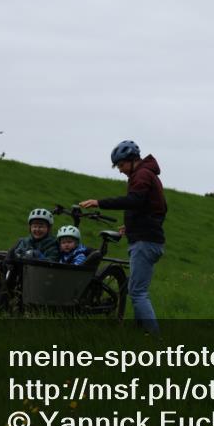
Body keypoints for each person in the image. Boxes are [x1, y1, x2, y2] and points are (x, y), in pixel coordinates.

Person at [80, 140, 167, 334]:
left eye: (121, 165)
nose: (120, 170)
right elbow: (158, 209)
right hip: (147, 239)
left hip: (145, 243)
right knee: (137, 291)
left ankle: (155, 339)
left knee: (137, 292)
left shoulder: (142, 174)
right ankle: (141, 334)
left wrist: (99, 202)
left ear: (131, 160)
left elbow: (134, 201)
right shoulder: (147, 174)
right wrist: (131, 226)